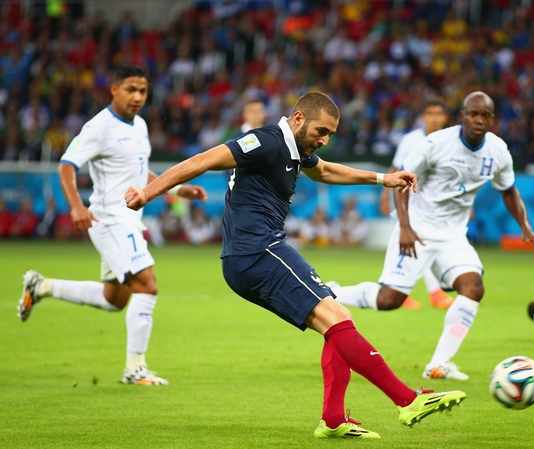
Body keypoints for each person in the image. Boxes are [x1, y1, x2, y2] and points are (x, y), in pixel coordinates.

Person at [124, 92, 466, 439]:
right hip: (258, 252)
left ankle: (333, 420)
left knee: (338, 321)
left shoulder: (297, 150)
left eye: (330, 134)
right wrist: (148, 192)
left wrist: (382, 179)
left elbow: (328, 171)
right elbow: (204, 159)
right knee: (336, 319)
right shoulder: (267, 141)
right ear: (299, 118)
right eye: (321, 131)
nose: (324, 140)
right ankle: (408, 400)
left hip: (254, 255)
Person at [329, 92, 534, 380]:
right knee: (389, 299)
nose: (479, 120)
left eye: (485, 115)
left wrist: (526, 226)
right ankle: (331, 293)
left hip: (454, 236)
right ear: (462, 117)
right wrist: (405, 227)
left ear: (492, 119)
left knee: (473, 287)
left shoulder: (498, 151)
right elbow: (402, 181)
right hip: (417, 228)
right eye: (473, 114)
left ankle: (438, 364)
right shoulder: (434, 144)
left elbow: (508, 190)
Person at [16, 65, 208, 386]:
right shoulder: (99, 127)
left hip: (129, 219)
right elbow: (66, 167)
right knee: (147, 285)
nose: (137, 97)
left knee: (114, 299)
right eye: (130, 89)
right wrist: (77, 206)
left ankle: (41, 286)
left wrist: (175, 189)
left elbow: (137, 173)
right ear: (114, 90)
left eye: (142, 91)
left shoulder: (141, 125)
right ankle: (135, 368)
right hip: (110, 220)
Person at [379, 99, 452, 310]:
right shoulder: (411, 139)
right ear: (424, 117)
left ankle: (401, 289)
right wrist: (384, 196)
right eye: (430, 113)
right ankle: (432, 292)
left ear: (445, 117)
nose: (435, 118)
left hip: (433, 202)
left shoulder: (449, 140)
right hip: (407, 197)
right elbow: (395, 168)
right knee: (417, 243)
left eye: (439, 113)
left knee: (418, 245)